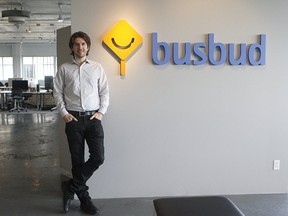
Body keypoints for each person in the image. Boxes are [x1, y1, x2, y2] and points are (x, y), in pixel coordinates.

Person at [53, 31, 109, 215]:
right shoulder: (64, 69)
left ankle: (70, 187)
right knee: (76, 161)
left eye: (83, 44)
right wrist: (64, 113)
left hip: (93, 119)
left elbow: (104, 92)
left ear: (88, 46)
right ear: (71, 47)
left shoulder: (97, 68)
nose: (80, 47)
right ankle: (85, 200)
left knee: (98, 157)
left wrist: (101, 112)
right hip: (73, 120)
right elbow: (58, 93)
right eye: (76, 44)